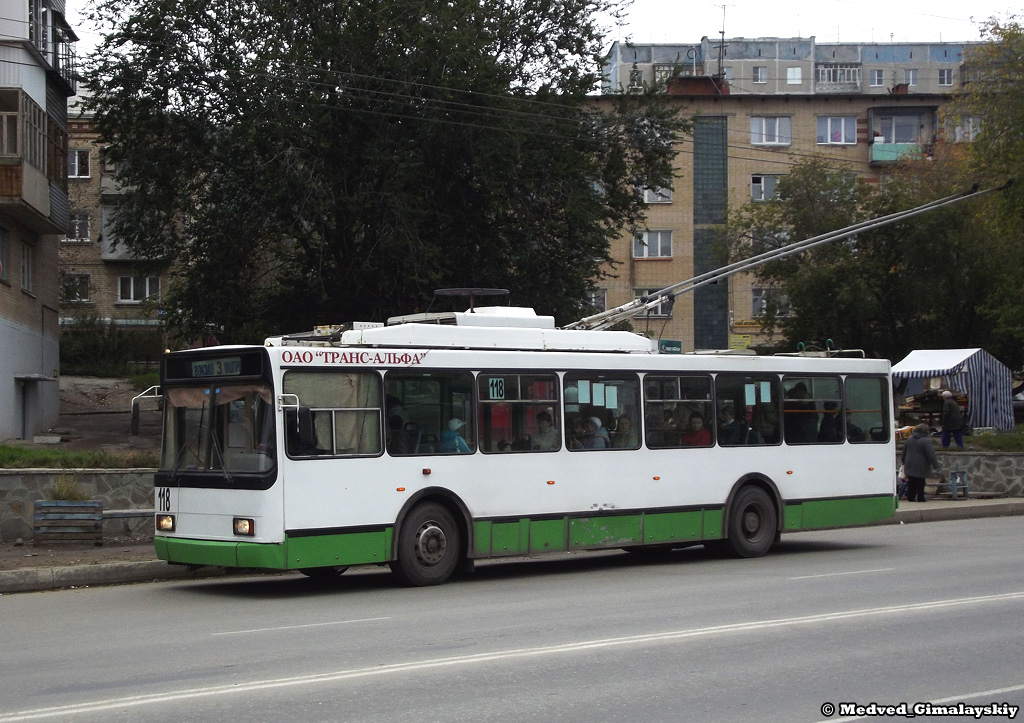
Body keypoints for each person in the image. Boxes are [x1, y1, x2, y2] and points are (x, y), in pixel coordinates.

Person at [901, 423, 941, 502]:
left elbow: (904, 451)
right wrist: (936, 465)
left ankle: (911, 497)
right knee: (921, 482)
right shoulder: (926, 441)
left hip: (909, 463)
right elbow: (930, 454)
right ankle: (920, 497)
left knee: (911, 482)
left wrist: (903, 461)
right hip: (921, 464)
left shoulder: (909, 439)